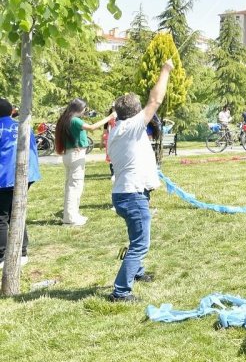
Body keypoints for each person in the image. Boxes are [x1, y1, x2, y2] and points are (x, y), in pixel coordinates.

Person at [106, 59, 174, 301]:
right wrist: (165, 70)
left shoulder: (118, 129)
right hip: (132, 195)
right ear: (135, 114)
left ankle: (137, 272)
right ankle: (121, 292)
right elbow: (155, 100)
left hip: (127, 193)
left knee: (136, 237)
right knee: (140, 244)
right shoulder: (132, 127)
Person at [54, 98, 115, 226]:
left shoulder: (64, 119)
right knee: (75, 187)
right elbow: (92, 127)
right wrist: (109, 117)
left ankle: (72, 214)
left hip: (69, 154)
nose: (84, 112)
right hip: (76, 156)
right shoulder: (75, 120)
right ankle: (70, 218)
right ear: (79, 109)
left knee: (71, 186)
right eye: (84, 109)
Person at [0, 98, 40, 268]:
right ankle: (22, 252)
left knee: (2, 216)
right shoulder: (23, 125)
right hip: (26, 173)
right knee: (17, 210)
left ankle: (2, 256)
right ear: (11, 111)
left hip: (5, 176)